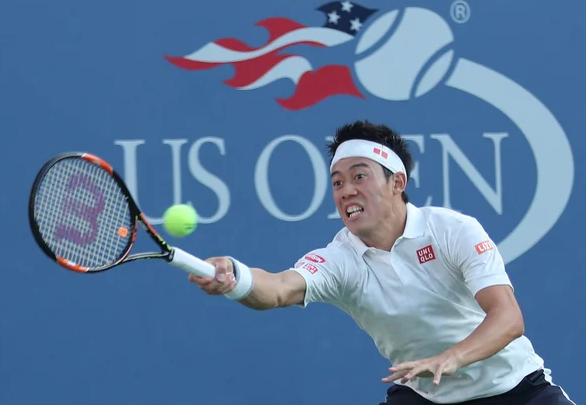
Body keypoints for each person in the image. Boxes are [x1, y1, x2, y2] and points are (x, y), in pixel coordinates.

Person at [188, 120, 574, 405]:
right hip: (424, 396)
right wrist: (236, 278)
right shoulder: (340, 259)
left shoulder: (454, 230)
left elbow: (508, 318)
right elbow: (278, 289)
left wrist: (451, 358)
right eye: (337, 182)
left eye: (360, 176)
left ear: (397, 183)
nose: (346, 190)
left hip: (518, 390)